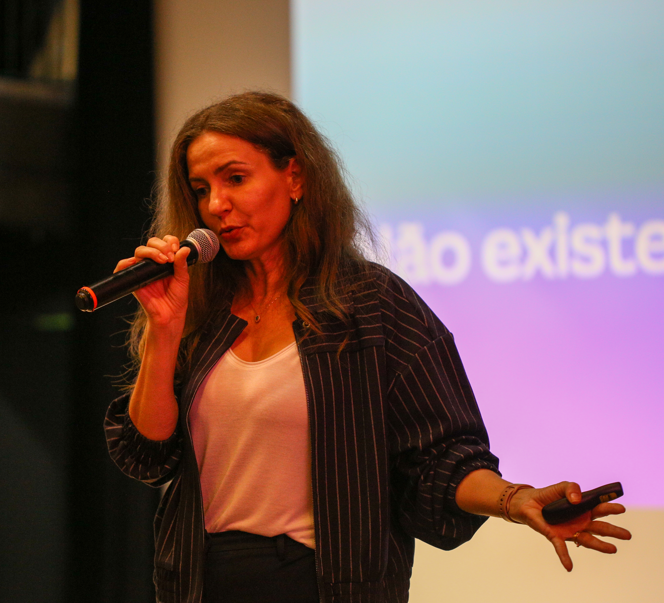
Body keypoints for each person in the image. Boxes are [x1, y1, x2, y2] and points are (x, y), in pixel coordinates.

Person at [103, 91, 630, 603]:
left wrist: (516, 500)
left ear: (295, 177)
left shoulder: (371, 302)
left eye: (235, 179)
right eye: (200, 189)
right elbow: (148, 455)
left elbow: (440, 458)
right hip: (200, 583)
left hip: (327, 585)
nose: (216, 205)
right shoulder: (201, 310)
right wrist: (164, 331)